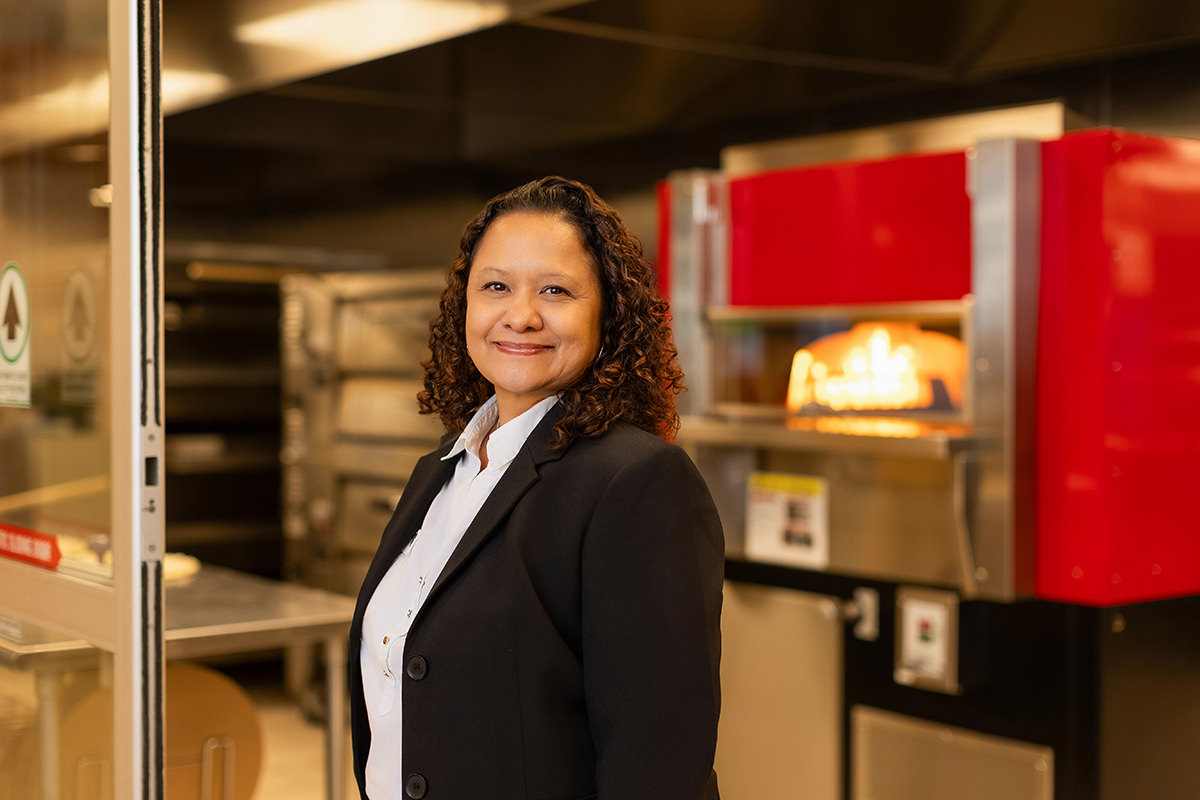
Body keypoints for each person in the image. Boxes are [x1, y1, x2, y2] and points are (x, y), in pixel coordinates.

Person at [349, 176, 724, 800]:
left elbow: (659, 760)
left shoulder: (637, 481)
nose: (520, 315)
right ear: (463, 306)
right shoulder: (440, 470)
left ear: (608, 313)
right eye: (495, 286)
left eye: (556, 290)